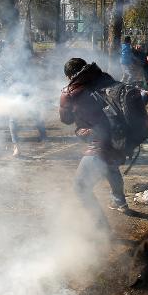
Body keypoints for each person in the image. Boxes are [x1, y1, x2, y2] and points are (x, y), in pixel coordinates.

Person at [60, 58, 129, 231]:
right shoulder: (104, 78)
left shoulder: (70, 92)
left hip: (100, 143)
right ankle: (120, 201)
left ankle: (102, 229)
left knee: (80, 187)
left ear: (69, 75)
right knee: (111, 167)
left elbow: (66, 120)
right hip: (120, 138)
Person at [0, 39, 47, 157]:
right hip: (11, 93)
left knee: (34, 112)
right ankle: (17, 147)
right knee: (13, 119)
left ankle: (43, 136)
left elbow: (29, 72)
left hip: (25, 89)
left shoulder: (16, 59)